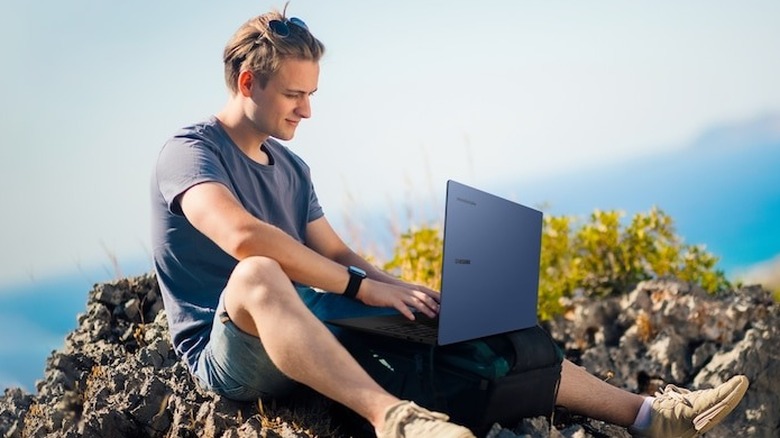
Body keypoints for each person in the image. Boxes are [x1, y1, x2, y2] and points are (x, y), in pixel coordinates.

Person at [150, 6, 749, 438]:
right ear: (248, 82)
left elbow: (335, 250)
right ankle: (395, 421)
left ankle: (647, 415)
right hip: (230, 352)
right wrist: (362, 289)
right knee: (257, 273)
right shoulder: (191, 151)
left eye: (312, 94)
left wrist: (399, 293)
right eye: (293, 95)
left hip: (310, 329)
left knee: (470, 319)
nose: (307, 110)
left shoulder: (292, 167)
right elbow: (245, 238)